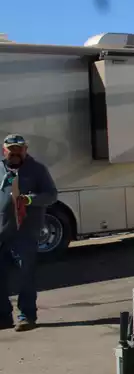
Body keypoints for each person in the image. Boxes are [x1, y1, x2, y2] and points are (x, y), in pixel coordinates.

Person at [0, 134, 58, 332]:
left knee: (25, 274)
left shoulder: (37, 170)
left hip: (25, 231)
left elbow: (51, 195)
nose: (15, 153)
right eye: (11, 150)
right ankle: (3, 317)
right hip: (2, 232)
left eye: (19, 149)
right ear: (4, 151)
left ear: (25, 150)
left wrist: (30, 200)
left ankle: (27, 316)